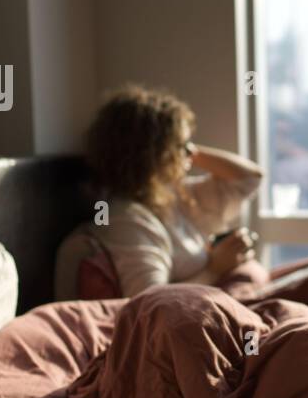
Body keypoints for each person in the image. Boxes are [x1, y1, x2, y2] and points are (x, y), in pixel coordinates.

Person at [83, 84, 263, 296]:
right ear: (153, 154)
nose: (190, 152)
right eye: (181, 145)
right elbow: (151, 301)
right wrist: (214, 269)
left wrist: (184, 149)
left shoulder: (175, 195)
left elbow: (251, 177)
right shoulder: (127, 221)